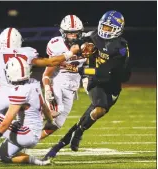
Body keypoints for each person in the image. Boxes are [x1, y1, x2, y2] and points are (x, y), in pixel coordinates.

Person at [0, 27, 79, 165]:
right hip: (24, 90)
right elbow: (51, 62)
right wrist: (69, 53)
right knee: (23, 119)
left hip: (3, 91)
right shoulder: (28, 53)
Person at [43, 10, 131, 160]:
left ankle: (77, 132)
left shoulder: (120, 48)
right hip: (94, 81)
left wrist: (78, 68)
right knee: (98, 109)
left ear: (117, 29)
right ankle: (73, 136)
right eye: (103, 26)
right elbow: (79, 43)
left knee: (98, 112)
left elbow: (104, 72)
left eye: (109, 28)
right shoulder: (94, 36)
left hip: (112, 80)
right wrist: (78, 47)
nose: (104, 30)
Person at [0, 57, 56, 168]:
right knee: (2, 155)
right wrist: (50, 121)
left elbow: (6, 123)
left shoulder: (20, 91)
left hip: (26, 133)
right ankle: (41, 162)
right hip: (33, 133)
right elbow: (44, 106)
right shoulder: (34, 83)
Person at [41, 15, 88, 139]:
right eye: (69, 33)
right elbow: (47, 73)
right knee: (57, 111)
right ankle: (22, 122)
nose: (73, 36)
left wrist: (87, 79)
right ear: (63, 33)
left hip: (72, 88)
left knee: (56, 124)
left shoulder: (87, 44)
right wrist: (47, 88)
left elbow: (89, 67)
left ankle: (23, 144)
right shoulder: (57, 45)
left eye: (75, 33)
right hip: (58, 83)